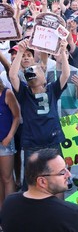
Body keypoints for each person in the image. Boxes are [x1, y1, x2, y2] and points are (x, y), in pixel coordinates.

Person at [9, 40, 69, 192]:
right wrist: (21, 52)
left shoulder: (52, 90)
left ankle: (57, 211)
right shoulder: (24, 93)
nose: (31, 72)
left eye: (35, 70)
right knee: (31, 181)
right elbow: (13, 75)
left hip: (52, 141)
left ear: (44, 75)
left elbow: (66, 74)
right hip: (32, 144)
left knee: (58, 180)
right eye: (28, 71)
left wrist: (62, 51)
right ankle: (31, 213)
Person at [0, 148, 78, 232]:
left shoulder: (9, 202)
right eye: (62, 172)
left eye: (67, 168)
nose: (69, 175)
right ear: (42, 181)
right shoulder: (72, 213)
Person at [0, 78, 20, 210]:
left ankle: (10, 211)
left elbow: (17, 116)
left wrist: (10, 136)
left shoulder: (7, 93)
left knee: (7, 178)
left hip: (5, 141)